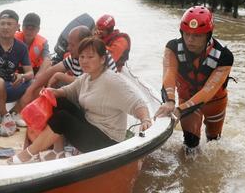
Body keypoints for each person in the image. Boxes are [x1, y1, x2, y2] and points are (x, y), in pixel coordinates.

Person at [8, 37, 152, 163]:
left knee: (62, 118)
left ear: (102, 59)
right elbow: (69, 91)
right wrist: (53, 92)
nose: (84, 61)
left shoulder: (112, 81)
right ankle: (58, 151)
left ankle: (27, 155)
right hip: (90, 125)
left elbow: (137, 103)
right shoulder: (87, 77)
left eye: (90, 57)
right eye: (82, 57)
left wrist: (145, 120)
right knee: (57, 101)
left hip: (107, 141)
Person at [154, 6, 234, 151]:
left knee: (214, 144)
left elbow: (208, 91)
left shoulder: (225, 56)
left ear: (208, 35)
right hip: (186, 98)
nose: (190, 40)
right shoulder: (172, 47)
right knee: (190, 145)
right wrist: (170, 101)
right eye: (186, 34)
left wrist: (180, 110)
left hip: (215, 104)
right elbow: (169, 74)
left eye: (197, 36)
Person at [10, 25, 117, 114]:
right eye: (68, 44)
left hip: (97, 107)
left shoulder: (97, 56)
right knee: (40, 88)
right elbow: (51, 71)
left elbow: (88, 83)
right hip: (82, 97)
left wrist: (60, 76)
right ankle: (18, 114)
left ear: (84, 43)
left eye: (72, 45)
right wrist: (30, 90)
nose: (68, 48)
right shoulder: (77, 56)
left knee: (54, 102)